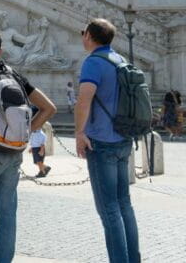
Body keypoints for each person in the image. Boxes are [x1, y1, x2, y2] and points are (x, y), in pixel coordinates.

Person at [0, 30, 56, 263]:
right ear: (1, 51)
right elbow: (49, 108)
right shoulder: (14, 74)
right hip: (14, 153)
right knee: (7, 212)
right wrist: (28, 131)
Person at [74, 19, 140, 263]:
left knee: (109, 209)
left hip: (102, 143)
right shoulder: (121, 60)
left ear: (90, 35)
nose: (82, 37)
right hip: (123, 140)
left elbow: (84, 100)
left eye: (83, 33)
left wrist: (80, 133)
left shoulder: (94, 62)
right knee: (124, 205)